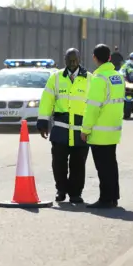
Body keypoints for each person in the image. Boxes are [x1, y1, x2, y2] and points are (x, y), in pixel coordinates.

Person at [37, 48, 92, 203]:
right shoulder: (55, 78)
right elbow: (47, 100)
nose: (73, 63)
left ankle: (75, 194)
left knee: (78, 165)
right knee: (58, 164)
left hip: (81, 131)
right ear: (64, 60)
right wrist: (42, 122)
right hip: (60, 129)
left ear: (80, 59)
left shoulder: (90, 79)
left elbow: (94, 104)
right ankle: (61, 190)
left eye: (75, 60)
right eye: (69, 60)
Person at [81, 44, 125, 209]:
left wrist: (85, 130)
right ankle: (114, 197)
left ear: (94, 58)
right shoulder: (118, 77)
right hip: (113, 130)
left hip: (99, 132)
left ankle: (105, 199)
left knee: (103, 167)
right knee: (111, 165)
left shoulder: (99, 79)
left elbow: (92, 107)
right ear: (109, 58)